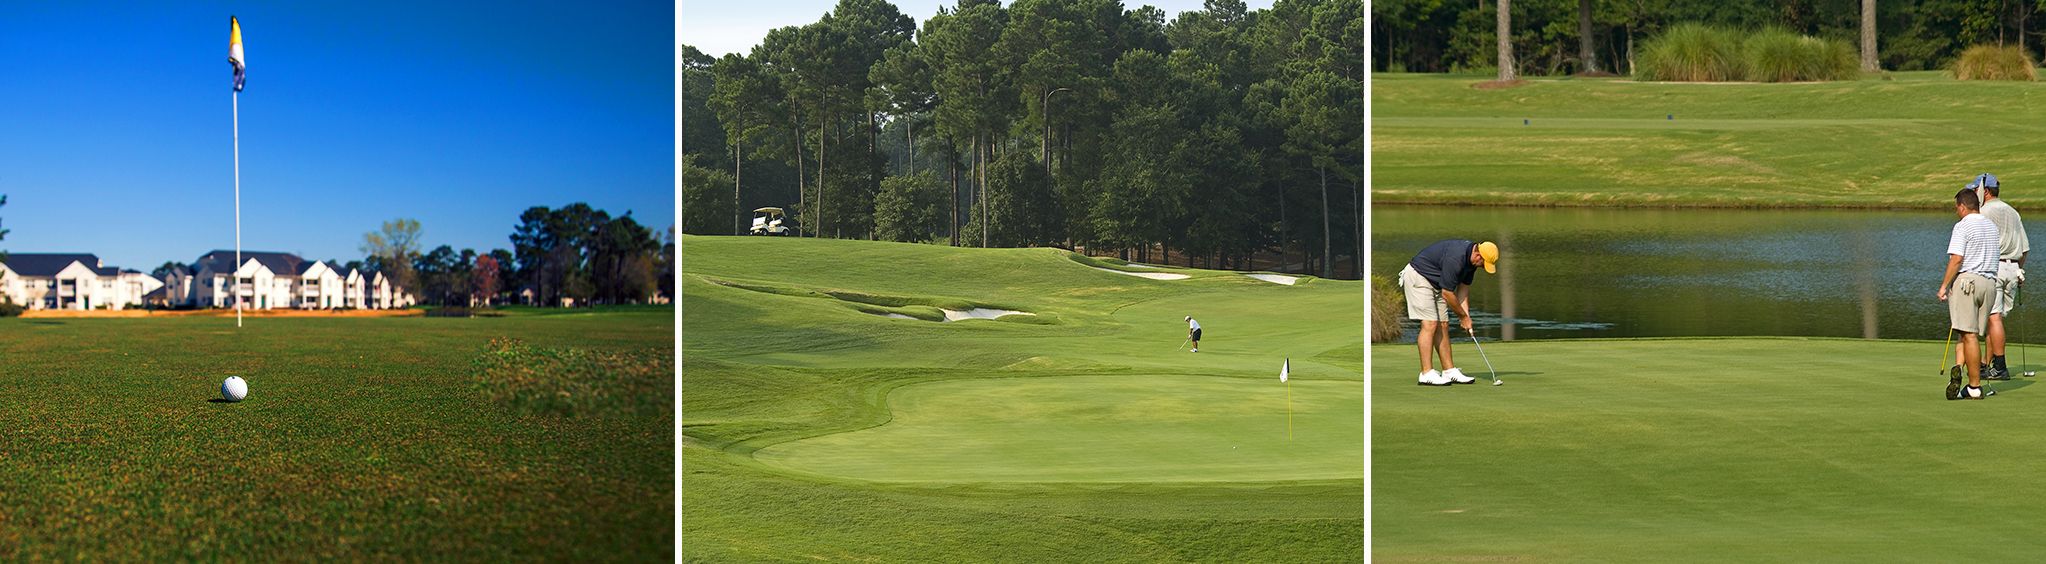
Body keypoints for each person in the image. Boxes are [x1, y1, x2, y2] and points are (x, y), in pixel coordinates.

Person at [1400, 239, 1499, 386]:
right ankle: (1426, 373)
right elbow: (1447, 293)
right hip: (1418, 277)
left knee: (1443, 324)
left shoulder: (1471, 263)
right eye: (1483, 264)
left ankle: (1449, 370)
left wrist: (1466, 317)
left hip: (1437, 283)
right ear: (1478, 255)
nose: (1483, 268)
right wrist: (1462, 316)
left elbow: (1463, 290)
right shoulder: (1456, 258)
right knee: (1430, 323)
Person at [1941, 187, 2001, 400]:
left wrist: (1944, 285)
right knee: (1970, 334)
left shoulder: (1962, 225)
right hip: (1990, 284)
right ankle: (1962, 369)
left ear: (1962, 206)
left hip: (1968, 282)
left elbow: (1957, 259)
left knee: (1969, 334)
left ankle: (1974, 387)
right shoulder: (1992, 226)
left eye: (1957, 208)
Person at [1972, 174, 2028, 380]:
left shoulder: (1982, 212)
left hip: (1993, 268)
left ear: (1985, 191)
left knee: (1993, 318)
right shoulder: (2013, 212)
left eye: (1975, 190)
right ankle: (1986, 365)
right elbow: (2024, 249)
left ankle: (2000, 366)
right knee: (1995, 319)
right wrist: (2018, 270)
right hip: (2013, 269)